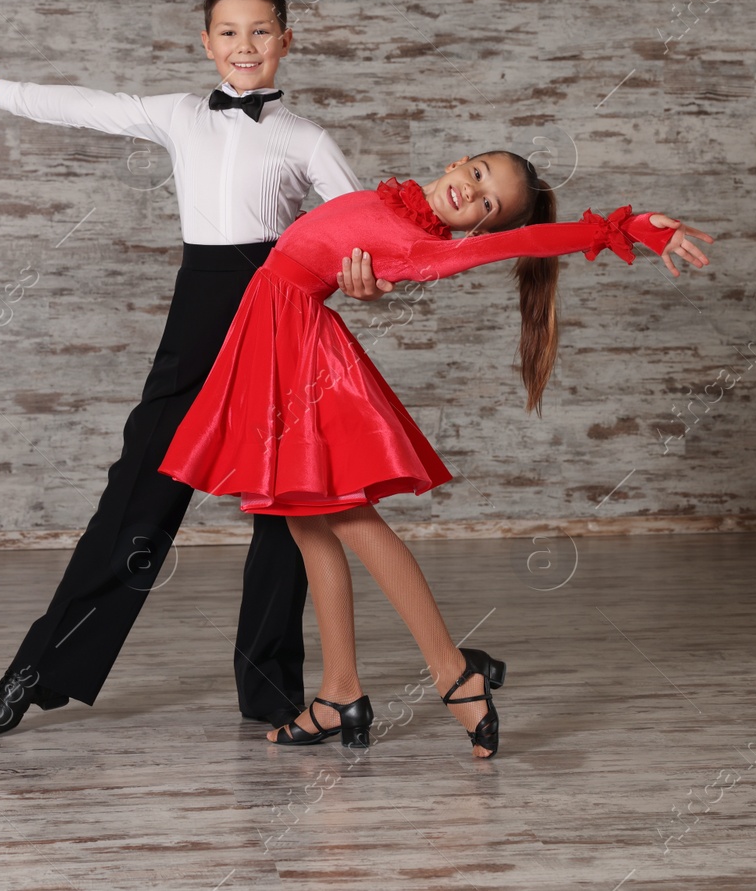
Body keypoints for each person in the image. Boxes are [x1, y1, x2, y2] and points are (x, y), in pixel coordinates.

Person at [0, 0, 393, 737]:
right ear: (207, 42)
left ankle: (272, 689)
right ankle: (35, 671)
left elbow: (362, 231)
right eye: (230, 32)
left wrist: (367, 279)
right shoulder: (180, 114)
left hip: (281, 321)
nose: (246, 46)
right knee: (136, 499)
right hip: (201, 314)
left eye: (262, 31)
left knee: (284, 511)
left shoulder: (306, 137)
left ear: (287, 40)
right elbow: (92, 108)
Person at [160, 150, 714, 757]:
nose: (471, 195)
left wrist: (622, 228)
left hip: (297, 350)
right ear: (458, 161)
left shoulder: (428, 249)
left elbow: (521, 242)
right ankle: (340, 691)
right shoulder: (400, 206)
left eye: (487, 205)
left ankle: (454, 673)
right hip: (277, 337)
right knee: (306, 524)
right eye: (476, 177)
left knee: (346, 516)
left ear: (480, 225)